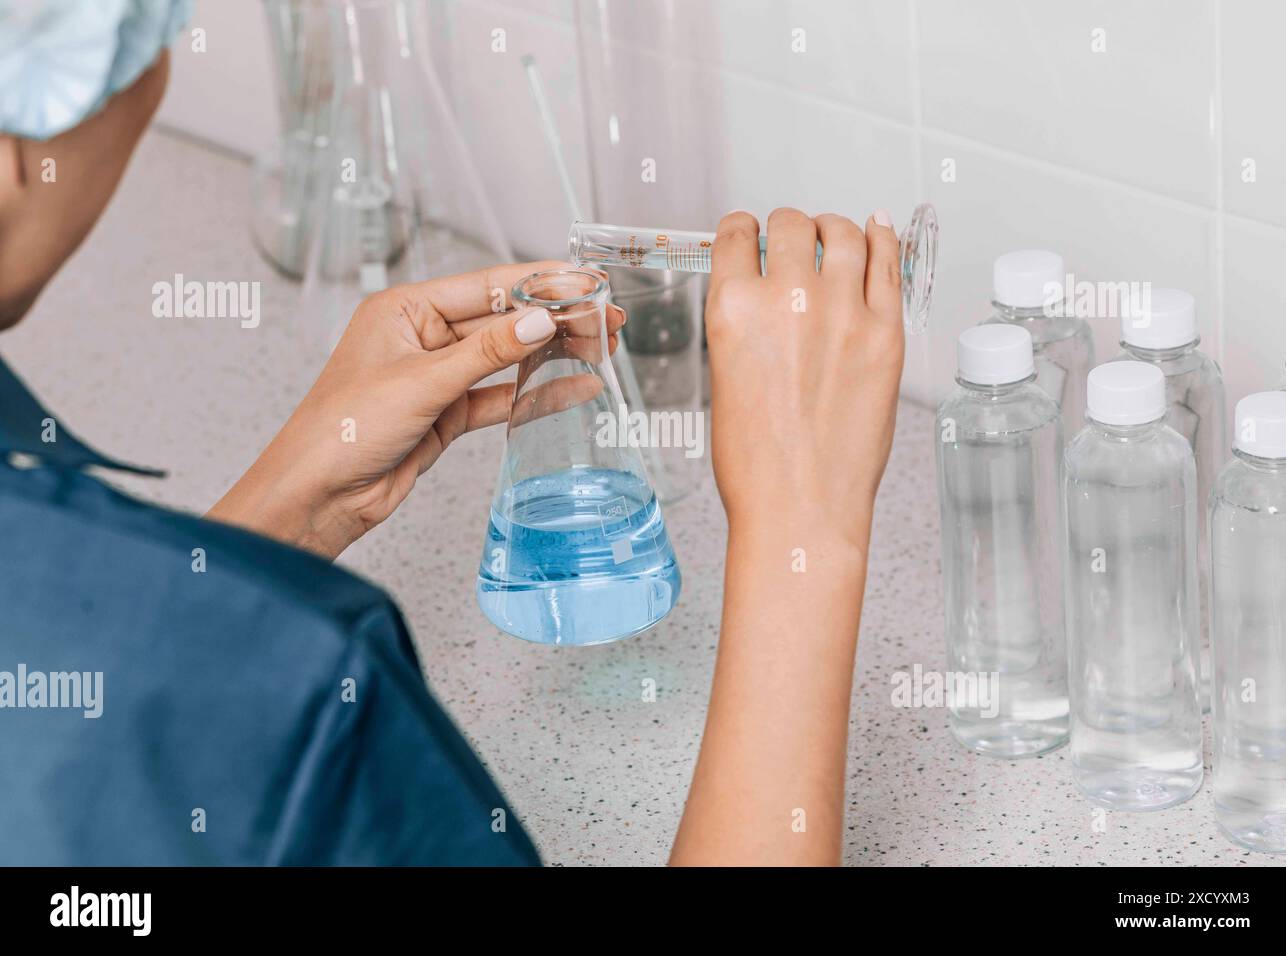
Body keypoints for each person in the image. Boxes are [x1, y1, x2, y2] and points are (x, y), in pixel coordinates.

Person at [0, 11, 903, 866]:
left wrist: (295, 507)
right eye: (147, 34)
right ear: (11, 159)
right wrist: (803, 523)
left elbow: (102, 729)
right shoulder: (322, 685)